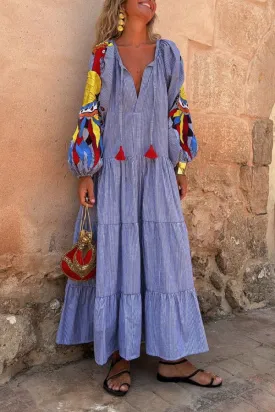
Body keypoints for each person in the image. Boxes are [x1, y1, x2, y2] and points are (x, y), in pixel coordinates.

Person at [56, 0, 223, 396]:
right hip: (113, 175)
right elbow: (90, 114)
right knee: (117, 257)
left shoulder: (168, 54)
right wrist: (84, 172)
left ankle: (172, 359)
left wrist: (181, 167)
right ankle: (119, 356)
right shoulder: (103, 57)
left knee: (168, 257)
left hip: (158, 173)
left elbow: (177, 111)